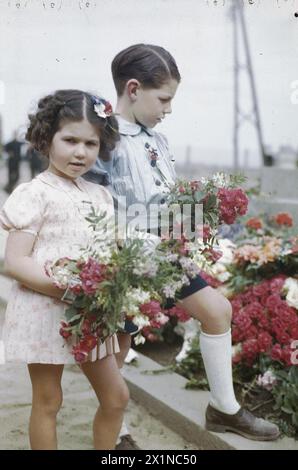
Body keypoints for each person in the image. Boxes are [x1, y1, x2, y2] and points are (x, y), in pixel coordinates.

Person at [85, 44, 280, 446]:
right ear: (134, 89)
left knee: (217, 310)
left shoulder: (160, 140)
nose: (168, 109)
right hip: (127, 262)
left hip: (167, 254)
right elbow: (93, 207)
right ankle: (117, 433)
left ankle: (223, 408)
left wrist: (197, 217)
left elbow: (169, 201)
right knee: (118, 349)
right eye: (165, 99)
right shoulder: (103, 140)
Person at [0, 89, 129, 450]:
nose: (80, 152)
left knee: (116, 396)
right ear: (46, 138)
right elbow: (16, 262)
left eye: (90, 143)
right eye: (69, 140)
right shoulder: (34, 193)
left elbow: (108, 252)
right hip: (45, 311)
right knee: (48, 400)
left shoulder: (100, 196)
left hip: (90, 314)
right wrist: (68, 289)